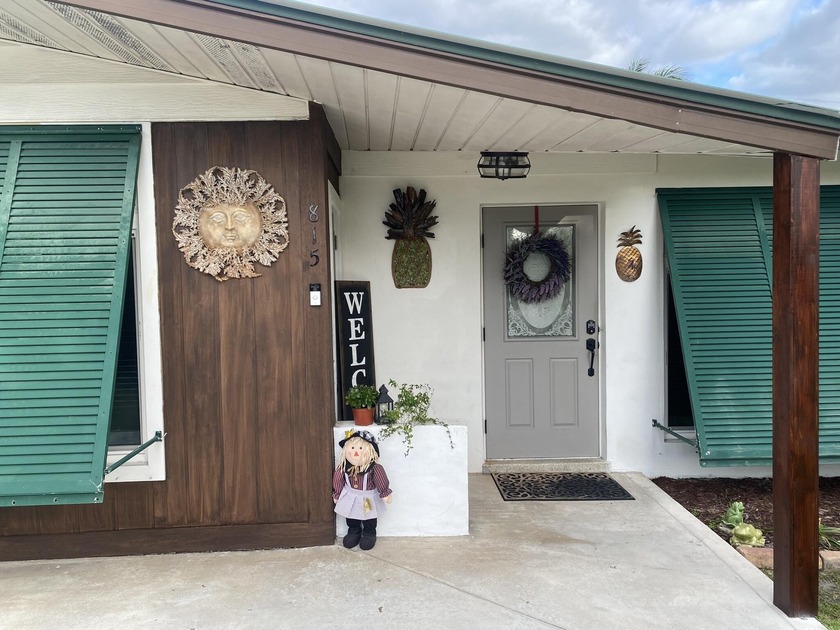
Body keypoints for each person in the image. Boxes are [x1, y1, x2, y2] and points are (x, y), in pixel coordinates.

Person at [332, 430, 392, 550]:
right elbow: (338, 480)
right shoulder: (343, 467)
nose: (355, 452)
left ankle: (369, 533)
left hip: (367, 498)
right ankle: (354, 531)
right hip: (350, 496)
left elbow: (381, 479)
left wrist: (385, 492)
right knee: (351, 515)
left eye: (360, 448)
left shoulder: (374, 468)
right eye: (352, 448)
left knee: (369, 516)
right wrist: (337, 494)